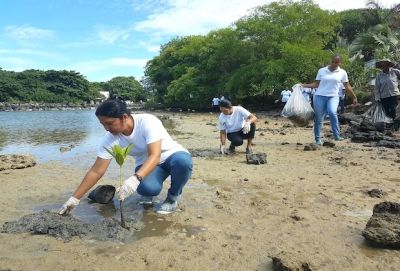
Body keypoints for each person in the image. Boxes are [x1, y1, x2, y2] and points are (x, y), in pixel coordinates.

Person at [59, 99, 193, 215]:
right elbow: (97, 170)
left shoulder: (147, 121)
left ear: (124, 117)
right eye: (103, 124)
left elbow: (155, 155)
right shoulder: (110, 138)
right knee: (148, 189)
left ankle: (172, 198)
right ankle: (148, 194)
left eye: (110, 123)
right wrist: (74, 199)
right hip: (146, 163)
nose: (106, 128)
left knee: (183, 162)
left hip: (171, 156)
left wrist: (135, 179)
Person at [302, 54, 357, 145]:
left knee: (332, 112)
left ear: (340, 62)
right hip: (319, 96)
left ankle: (336, 135)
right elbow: (316, 85)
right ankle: (318, 139)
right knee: (319, 118)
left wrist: (354, 97)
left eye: (337, 62)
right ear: (330, 61)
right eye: (333, 62)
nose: (334, 64)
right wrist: (303, 85)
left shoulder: (342, 72)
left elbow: (347, 86)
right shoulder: (322, 71)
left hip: (333, 96)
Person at [374, 59, 400, 130]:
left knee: (394, 109)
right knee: (386, 110)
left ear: (389, 65)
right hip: (384, 96)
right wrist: (377, 97)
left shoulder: (395, 72)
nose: (384, 66)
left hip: (395, 95)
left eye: (386, 64)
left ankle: (395, 124)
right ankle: (389, 124)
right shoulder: (379, 76)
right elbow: (377, 87)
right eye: (383, 65)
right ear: (381, 67)